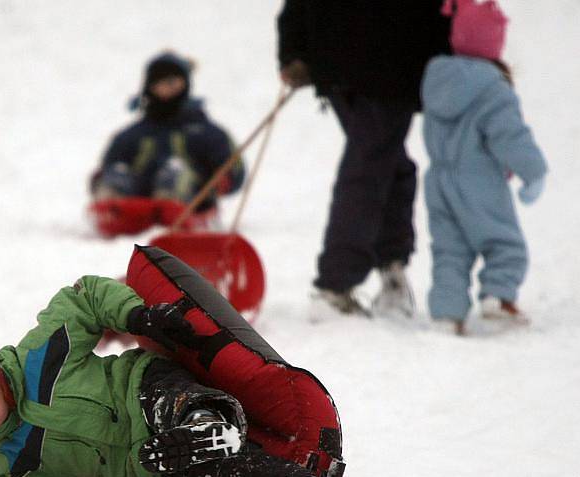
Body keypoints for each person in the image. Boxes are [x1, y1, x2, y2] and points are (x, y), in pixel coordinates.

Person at [0, 275, 387, 477]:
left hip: (143, 387)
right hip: (150, 460)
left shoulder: (38, 355)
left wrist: (136, 315)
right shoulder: (15, 458)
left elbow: (84, 298)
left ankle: (207, 422)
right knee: (220, 470)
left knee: (174, 406)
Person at [276, 1, 451, 317]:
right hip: (386, 64)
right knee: (371, 166)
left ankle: (390, 267)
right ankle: (336, 285)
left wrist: (294, 51)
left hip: (346, 61)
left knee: (387, 162)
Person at [421, 0, 547, 335]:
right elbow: (510, 136)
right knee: (503, 241)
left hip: (438, 181)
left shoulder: (435, 81)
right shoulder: (492, 88)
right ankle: (498, 295)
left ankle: (447, 315)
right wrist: (533, 171)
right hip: (479, 180)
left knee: (449, 249)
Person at [90, 51, 245, 229]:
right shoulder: (134, 135)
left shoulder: (204, 132)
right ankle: (114, 219)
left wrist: (224, 179)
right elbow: (110, 165)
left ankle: (170, 219)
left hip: (189, 202)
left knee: (174, 174)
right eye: (159, 82)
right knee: (117, 175)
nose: (165, 87)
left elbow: (233, 168)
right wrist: (102, 179)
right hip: (137, 204)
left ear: (185, 84)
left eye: (172, 82)